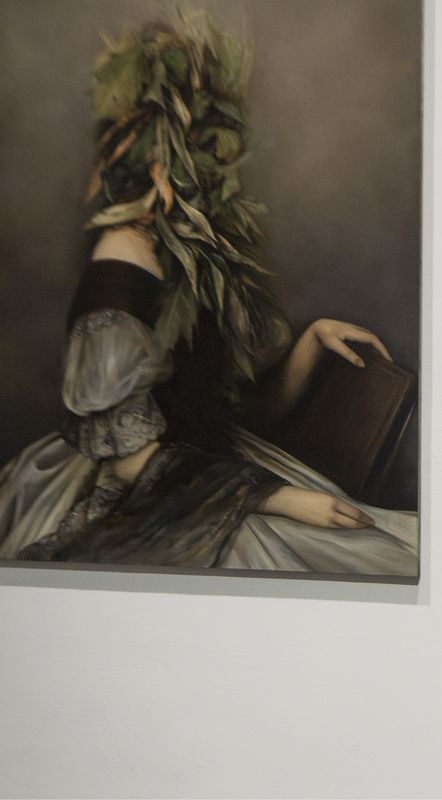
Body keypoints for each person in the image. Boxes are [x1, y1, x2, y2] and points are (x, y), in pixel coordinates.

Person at [0, 14, 416, 574]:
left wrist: (308, 346)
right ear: (159, 159)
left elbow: (227, 415)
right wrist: (280, 498)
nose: (224, 169)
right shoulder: (123, 262)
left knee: (391, 548)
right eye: (204, 149)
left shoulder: (190, 251)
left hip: (203, 468)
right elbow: (130, 464)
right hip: (147, 493)